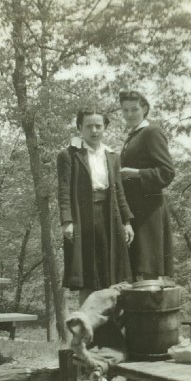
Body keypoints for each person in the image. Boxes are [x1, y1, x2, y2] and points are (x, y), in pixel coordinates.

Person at [57, 108, 134, 304]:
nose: (94, 130)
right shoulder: (68, 155)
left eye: (98, 126)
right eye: (88, 126)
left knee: (114, 274)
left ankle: (111, 330)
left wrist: (126, 221)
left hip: (110, 217)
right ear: (80, 128)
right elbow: (64, 190)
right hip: (83, 219)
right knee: (89, 276)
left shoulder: (112, 156)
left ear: (105, 127)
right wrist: (67, 221)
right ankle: (86, 327)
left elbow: (119, 191)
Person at [119, 89, 175, 280]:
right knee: (137, 270)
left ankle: (154, 308)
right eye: (125, 110)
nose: (129, 114)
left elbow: (167, 173)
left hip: (149, 212)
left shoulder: (152, 131)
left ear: (144, 108)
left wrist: (134, 173)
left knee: (148, 269)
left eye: (134, 109)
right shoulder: (133, 135)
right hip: (135, 212)